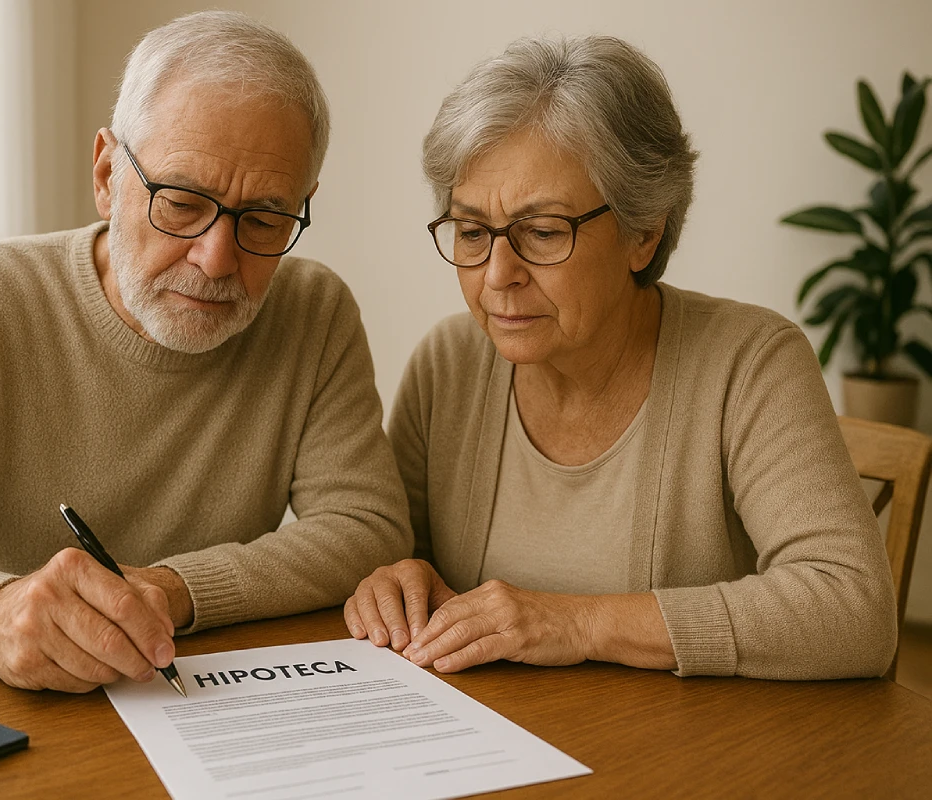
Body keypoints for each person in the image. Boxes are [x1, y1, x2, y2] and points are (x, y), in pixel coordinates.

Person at [0, 11, 411, 693]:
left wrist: (169, 591)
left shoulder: (315, 311)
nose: (217, 258)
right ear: (108, 175)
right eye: (183, 202)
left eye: (263, 218)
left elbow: (365, 528)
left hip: (195, 699)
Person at [344, 35, 896, 680]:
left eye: (544, 232)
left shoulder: (751, 363)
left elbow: (853, 609)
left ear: (645, 232)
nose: (497, 275)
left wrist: (577, 622)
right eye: (471, 232)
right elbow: (408, 556)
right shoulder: (450, 361)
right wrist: (394, 579)